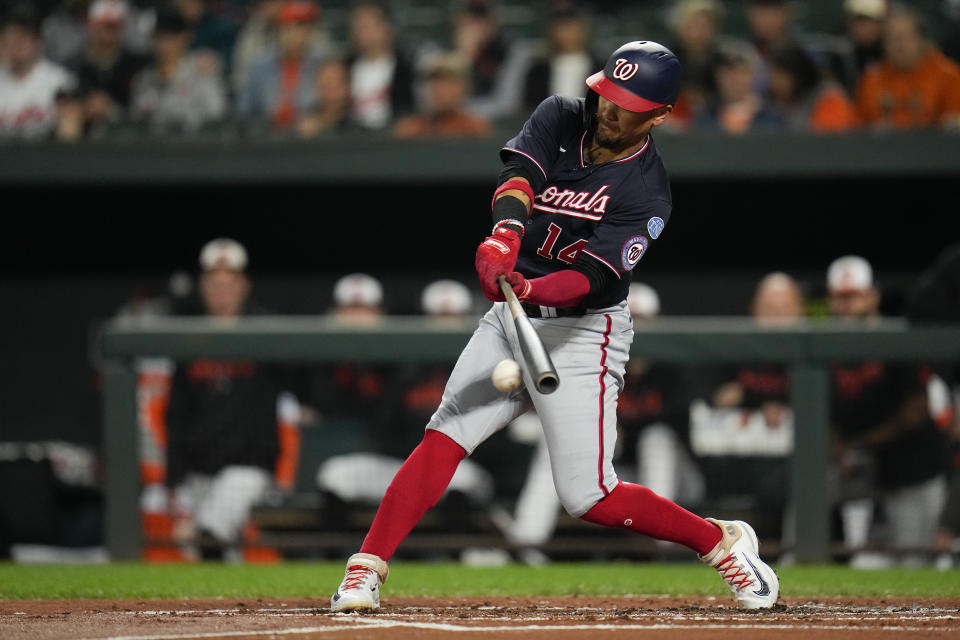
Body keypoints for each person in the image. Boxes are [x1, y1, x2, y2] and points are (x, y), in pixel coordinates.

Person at [330, 40, 779, 612]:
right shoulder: (561, 115)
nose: (610, 111)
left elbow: (591, 279)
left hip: (584, 331)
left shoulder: (647, 191)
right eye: (608, 96)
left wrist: (530, 286)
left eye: (629, 104)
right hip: (512, 321)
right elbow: (518, 178)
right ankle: (365, 569)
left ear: (660, 114)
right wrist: (505, 238)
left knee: (588, 495)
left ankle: (722, 542)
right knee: (445, 435)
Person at [164, 238, 301, 561]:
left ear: (244, 285)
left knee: (211, 534)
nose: (222, 291)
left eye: (230, 283)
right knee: (209, 556)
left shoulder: (265, 332)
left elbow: (302, 383)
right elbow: (176, 413)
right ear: (202, 286)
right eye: (214, 283)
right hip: (198, 469)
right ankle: (229, 613)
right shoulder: (188, 336)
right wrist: (173, 478)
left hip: (248, 469)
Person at [826, 255, 953, 567]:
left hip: (911, 468)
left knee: (914, 563)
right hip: (855, 469)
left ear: (872, 296)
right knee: (812, 491)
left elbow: (916, 410)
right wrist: (837, 445)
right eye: (840, 298)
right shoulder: (825, 348)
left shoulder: (898, 339)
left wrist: (860, 444)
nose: (846, 306)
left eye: (854, 296)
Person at [855, 6, 960, 129]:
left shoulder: (948, 76)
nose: (899, 46)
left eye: (906, 38)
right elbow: (858, 125)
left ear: (922, 40)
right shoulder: (872, 79)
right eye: (892, 39)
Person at [128, 7, 228, 134]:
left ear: (184, 38)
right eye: (158, 38)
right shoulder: (144, 79)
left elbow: (217, 115)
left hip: (195, 148)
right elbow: (134, 124)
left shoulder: (202, 72)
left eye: (170, 38)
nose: (164, 45)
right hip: (153, 149)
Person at [235, 0, 328, 135]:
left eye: (303, 27)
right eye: (291, 26)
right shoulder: (261, 65)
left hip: (310, 142)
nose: (297, 34)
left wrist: (321, 120)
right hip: (266, 140)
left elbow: (334, 107)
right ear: (280, 30)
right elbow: (243, 110)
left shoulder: (322, 62)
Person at [66, 0, 149, 136]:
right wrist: (85, 108)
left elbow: (142, 110)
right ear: (92, 26)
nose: (110, 33)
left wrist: (111, 109)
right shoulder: (75, 65)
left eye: (115, 26)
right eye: (105, 26)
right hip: (83, 135)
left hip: (125, 135)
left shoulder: (136, 64)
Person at [0, 4, 78, 140]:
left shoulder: (59, 80)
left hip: (46, 157)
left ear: (36, 42)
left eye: (22, 39)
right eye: (11, 39)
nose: (16, 45)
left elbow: (70, 134)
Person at [449, 0, 531, 121]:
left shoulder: (512, 53)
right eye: (471, 19)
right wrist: (464, 57)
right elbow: (430, 101)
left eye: (482, 19)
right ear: (458, 22)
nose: (476, 26)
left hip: (497, 130)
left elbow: (507, 104)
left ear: (494, 23)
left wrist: (459, 112)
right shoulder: (441, 52)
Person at [344, 0, 414, 131]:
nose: (363, 33)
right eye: (359, 27)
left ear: (386, 28)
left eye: (368, 26)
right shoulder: (345, 67)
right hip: (351, 137)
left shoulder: (405, 67)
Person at [521, 1, 602, 113]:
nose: (566, 32)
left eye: (570, 25)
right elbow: (529, 109)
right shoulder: (538, 70)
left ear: (583, 28)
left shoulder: (602, 69)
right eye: (560, 26)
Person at [392, 52, 491, 139]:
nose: (438, 89)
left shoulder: (475, 129)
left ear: (464, 87)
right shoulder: (410, 129)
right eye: (434, 82)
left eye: (447, 82)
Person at [693, 40, 782, 133]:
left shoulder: (771, 118)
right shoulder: (704, 117)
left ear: (752, 74)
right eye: (726, 72)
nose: (733, 79)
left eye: (739, 71)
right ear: (717, 76)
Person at [767, 44, 858, 132]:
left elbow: (829, 140)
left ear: (797, 75)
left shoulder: (828, 98)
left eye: (780, 75)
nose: (774, 81)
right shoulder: (773, 102)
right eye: (772, 74)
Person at [665, 0, 726, 129]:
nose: (700, 32)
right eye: (694, 26)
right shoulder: (665, 61)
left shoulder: (723, 61)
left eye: (706, 26)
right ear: (681, 28)